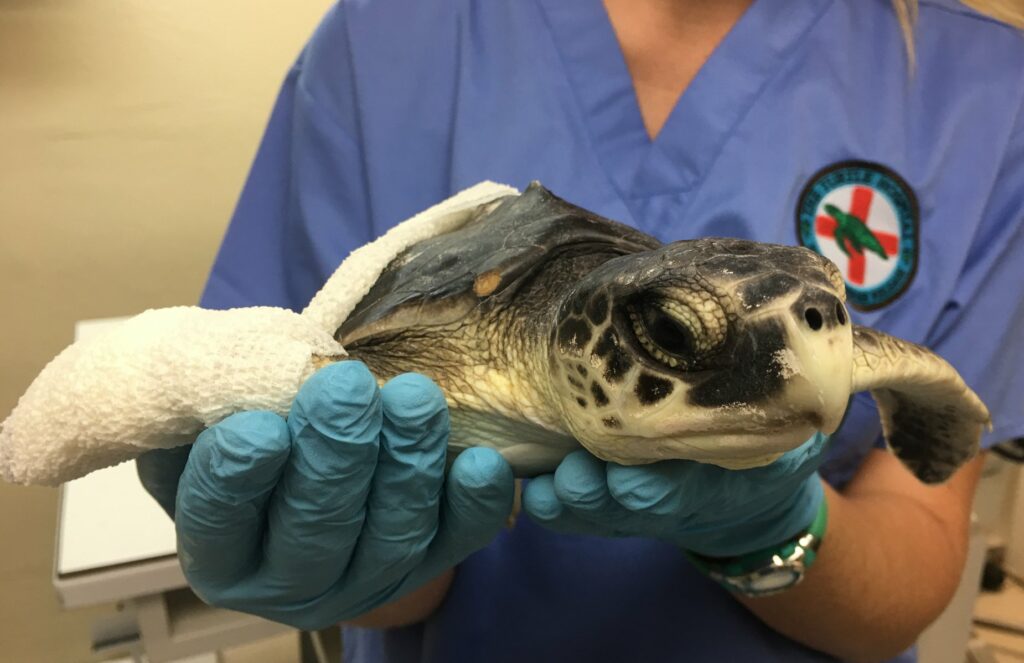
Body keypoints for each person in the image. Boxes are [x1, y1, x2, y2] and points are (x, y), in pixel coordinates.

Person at [137, 1, 1024, 661]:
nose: (814, 367)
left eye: (826, 321)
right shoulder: (385, 39)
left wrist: (770, 527)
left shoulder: (982, 90)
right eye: (676, 333)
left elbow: (915, 544)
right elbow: (372, 561)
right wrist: (343, 558)